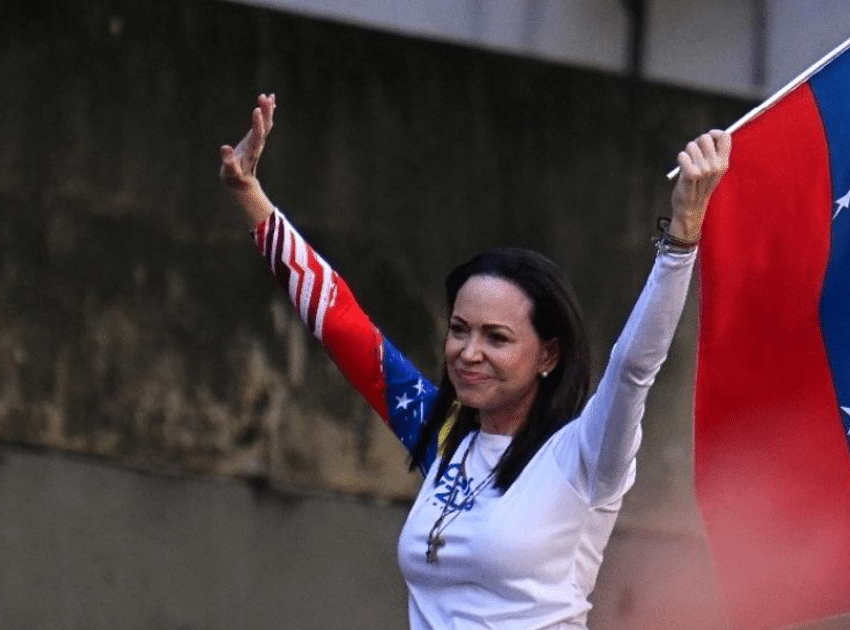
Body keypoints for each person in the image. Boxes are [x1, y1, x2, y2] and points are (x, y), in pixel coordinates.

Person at [220, 93, 730, 629]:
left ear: (548, 354)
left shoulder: (586, 454)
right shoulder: (442, 433)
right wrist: (250, 195)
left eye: (497, 338)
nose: (469, 352)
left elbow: (633, 368)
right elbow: (341, 324)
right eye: (459, 330)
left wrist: (682, 234)